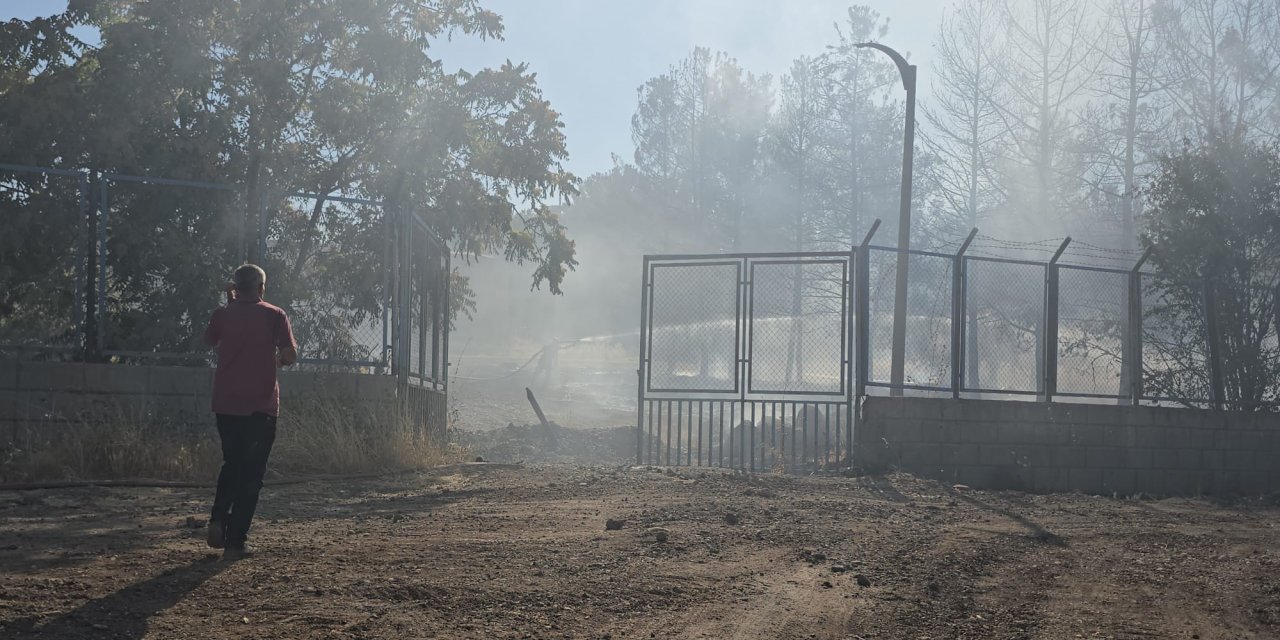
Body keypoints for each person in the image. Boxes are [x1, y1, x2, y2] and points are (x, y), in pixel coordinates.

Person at [202, 264, 297, 560]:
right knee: (252, 474)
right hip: (261, 407)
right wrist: (278, 362)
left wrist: (229, 302)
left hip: (226, 404)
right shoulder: (274, 314)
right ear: (261, 288)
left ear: (235, 287)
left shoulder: (223, 314)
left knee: (232, 464)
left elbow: (210, 339)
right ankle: (236, 541)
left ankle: (218, 518)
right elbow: (290, 355)